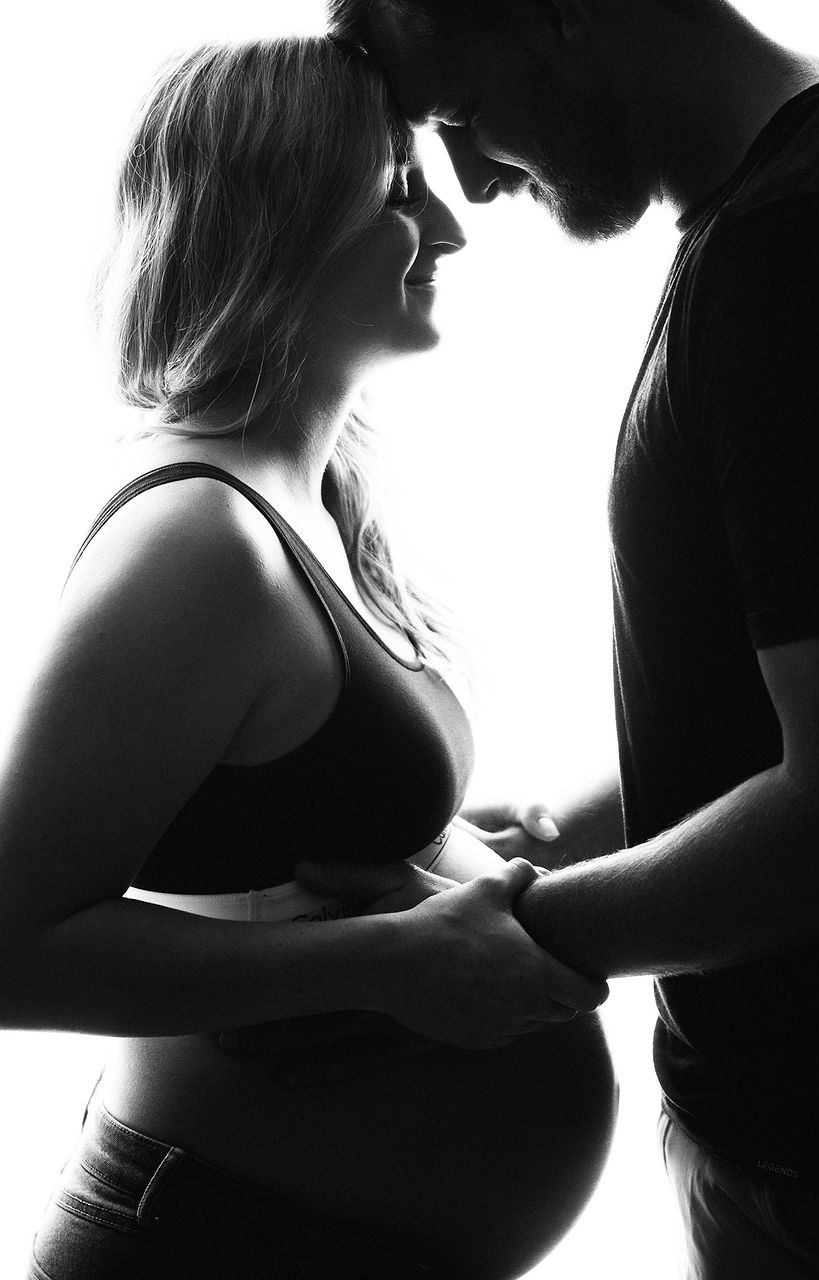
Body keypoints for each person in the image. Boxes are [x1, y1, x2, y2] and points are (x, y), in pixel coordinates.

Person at [260, 1, 819, 1274]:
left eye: (457, 118)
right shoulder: (790, 215)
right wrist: (549, 844)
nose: (475, 184)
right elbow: (807, 708)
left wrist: (493, 946)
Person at [0, 34, 617, 1280]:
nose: (449, 228)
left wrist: (451, 859)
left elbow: (263, 835)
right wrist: (386, 960)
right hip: (208, 1240)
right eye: (400, 188)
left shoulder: (317, 494)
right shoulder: (200, 535)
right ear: (276, 216)